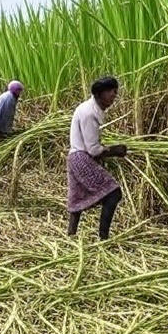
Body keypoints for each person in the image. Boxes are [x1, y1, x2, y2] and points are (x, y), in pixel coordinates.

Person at [67, 76, 128, 240]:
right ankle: (103, 238)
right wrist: (115, 150)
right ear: (100, 93)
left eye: (115, 92)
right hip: (82, 159)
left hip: (74, 158)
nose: (114, 96)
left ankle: (70, 236)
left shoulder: (89, 109)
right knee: (114, 194)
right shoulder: (89, 113)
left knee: (77, 199)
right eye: (111, 92)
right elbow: (93, 149)